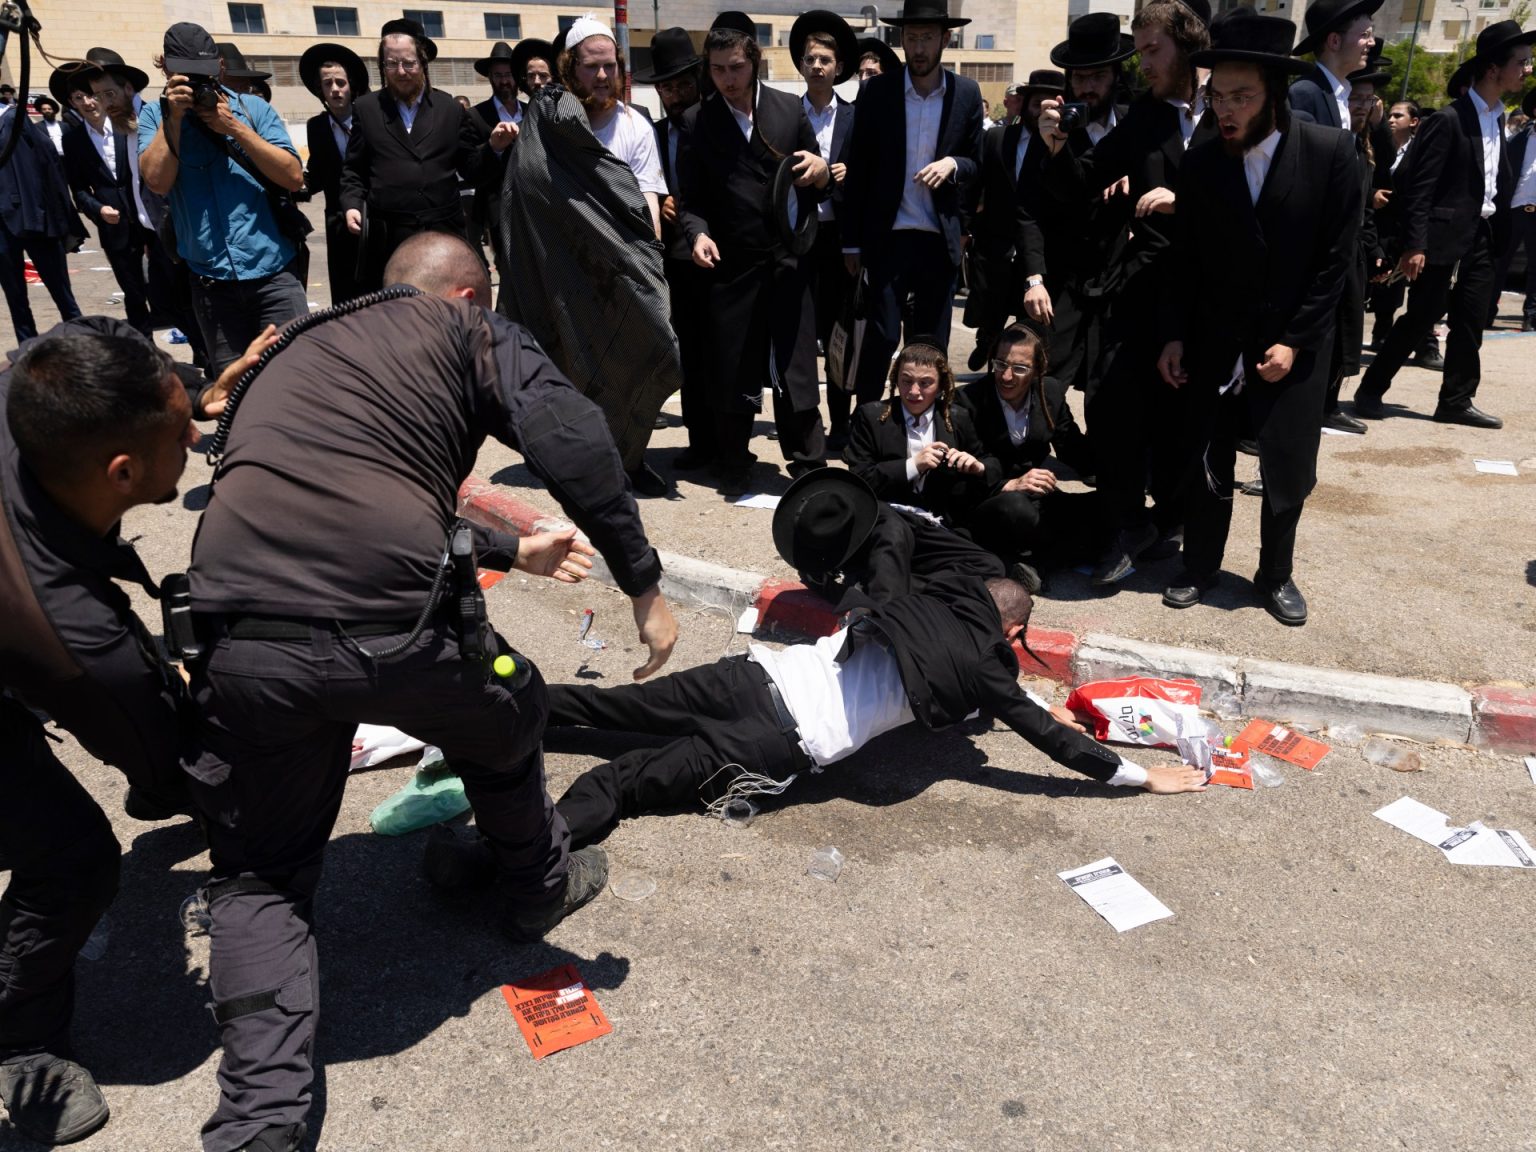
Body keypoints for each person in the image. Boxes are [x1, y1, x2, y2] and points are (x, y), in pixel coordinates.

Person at [182, 231, 678, 1152]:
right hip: (391, 628)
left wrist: (507, 549)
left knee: (259, 875)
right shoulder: (465, 331)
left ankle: (256, 1125)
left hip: (238, 635)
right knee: (511, 709)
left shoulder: (296, 343)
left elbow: (356, 486)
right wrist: (642, 584)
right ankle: (536, 885)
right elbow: (570, 433)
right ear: (469, 296)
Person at [0, 317, 264, 1147]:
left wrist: (200, 385)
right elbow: (157, 742)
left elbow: (91, 342)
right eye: (181, 436)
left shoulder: (33, 394)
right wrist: (224, 780)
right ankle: (18, 1039)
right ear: (122, 471)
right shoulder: (68, 634)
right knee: (72, 855)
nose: (197, 438)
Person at [549, 562, 1207, 851]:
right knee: (620, 783)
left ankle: (494, 707)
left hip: (748, 678)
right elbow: (1048, 738)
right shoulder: (984, 667)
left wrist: (1026, 696)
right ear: (1011, 633)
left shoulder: (926, 596)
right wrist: (1140, 776)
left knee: (609, 707)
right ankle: (529, 858)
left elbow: (975, 678)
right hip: (774, 745)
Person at [1157, 8, 1362, 626]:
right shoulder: (1203, 160)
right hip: (1217, 335)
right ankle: (1199, 566)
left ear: (1274, 94)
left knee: (1287, 466)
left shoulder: (1329, 152)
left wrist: (1296, 341)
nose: (1226, 110)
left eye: (1241, 97)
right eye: (1217, 96)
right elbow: (1185, 258)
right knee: (1208, 456)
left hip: (1292, 341)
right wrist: (1174, 334)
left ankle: (1275, 574)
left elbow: (1336, 262)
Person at [1037, 0, 1215, 589]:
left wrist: (1185, 202)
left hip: (1212, 293)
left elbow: (1254, 194)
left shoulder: (1233, 104)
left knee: (1189, 424)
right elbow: (1085, 180)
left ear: (1188, 44)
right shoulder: (1146, 115)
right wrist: (1059, 147)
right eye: (1138, 53)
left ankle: (1171, 525)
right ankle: (1127, 526)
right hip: (1145, 288)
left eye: (1152, 51)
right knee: (1113, 410)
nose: (1145, 65)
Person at [677, 13, 832, 496]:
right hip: (731, 266)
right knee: (734, 366)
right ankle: (734, 462)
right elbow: (690, 200)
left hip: (788, 259)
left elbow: (817, 178)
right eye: (718, 69)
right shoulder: (697, 121)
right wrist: (697, 234)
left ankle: (808, 460)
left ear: (755, 62)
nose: (728, 79)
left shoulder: (788, 109)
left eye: (736, 67)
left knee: (796, 364)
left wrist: (822, 171)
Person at [1352, 19, 1533, 430]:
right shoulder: (1450, 119)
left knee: (1470, 320)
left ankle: (1456, 399)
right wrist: (1415, 244)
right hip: (1441, 238)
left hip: (1482, 235)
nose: (1527, 70)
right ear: (1493, 68)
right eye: (1521, 62)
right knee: (1422, 316)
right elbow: (1419, 185)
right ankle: (1371, 389)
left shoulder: (1498, 117)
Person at [138, 22, 307, 375]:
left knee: (296, 376)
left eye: (204, 74)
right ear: (166, 69)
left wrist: (234, 128)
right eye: (186, 76)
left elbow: (293, 176)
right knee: (233, 384)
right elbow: (156, 182)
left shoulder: (252, 109)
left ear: (219, 66)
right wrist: (173, 119)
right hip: (210, 282)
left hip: (274, 275)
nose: (197, 83)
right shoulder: (154, 116)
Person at [842, 0, 985, 414]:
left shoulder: (966, 93)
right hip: (888, 237)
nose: (918, 47)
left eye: (927, 38)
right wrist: (851, 242)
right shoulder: (878, 92)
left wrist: (953, 164)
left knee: (930, 345)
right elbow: (859, 168)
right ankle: (868, 423)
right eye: (911, 37)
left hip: (938, 240)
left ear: (945, 39)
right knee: (882, 337)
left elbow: (976, 165)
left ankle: (928, 426)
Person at [340, 17, 497, 290]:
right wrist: (352, 203)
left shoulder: (450, 109)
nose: (401, 72)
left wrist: (494, 147)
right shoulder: (366, 109)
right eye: (391, 63)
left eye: (409, 63)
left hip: (443, 235)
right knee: (397, 309)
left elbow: (471, 169)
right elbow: (354, 168)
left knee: (446, 306)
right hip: (390, 238)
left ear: (423, 63)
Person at [956, 324, 1097, 590]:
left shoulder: (1049, 393)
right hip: (988, 499)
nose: (1006, 376)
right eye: (1000, 364)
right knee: (1017, 508)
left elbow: (1073, 448)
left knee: (1105, 508)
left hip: (1036, 497)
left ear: (1038, 369)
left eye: (1019, 368)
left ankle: (1035, 563)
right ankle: (1043, 558)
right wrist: (1010, 484)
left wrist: (1115, 463)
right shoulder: (967, 401)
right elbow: (962, 476)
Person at [1043, 12, 1136, 403]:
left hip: (1118, 278)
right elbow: (1032, 205)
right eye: (1079, 78)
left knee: (1108, 389)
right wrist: (1054, 147)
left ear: (1116, 75)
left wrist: (1136, 182)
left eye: (1098, 76)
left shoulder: (1136, 125)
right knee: (1045, 383)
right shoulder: (1051, 130)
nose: (1088, 88)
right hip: (1063, 277)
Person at [639, 27, 713, 470]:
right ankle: (700, 441)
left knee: (720, 355)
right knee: (688, 356)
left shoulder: (717, 126)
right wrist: (659, 197)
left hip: (717, 257)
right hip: (672, 265)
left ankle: (727, 444)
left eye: (684, 84)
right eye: (668, 88)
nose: (677, 94)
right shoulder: (653, 133)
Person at [790, 10, 860, 453]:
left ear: (838, 67)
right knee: (800, 337)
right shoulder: (785, 113)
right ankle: (805, 427)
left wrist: (852, 174)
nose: (817, 66)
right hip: (799, 237)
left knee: (840, 336)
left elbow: (872, 175)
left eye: (825, 60)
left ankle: (842, 422)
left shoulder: (855, 116)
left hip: (841, 241)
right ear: (801, 64)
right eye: (811, 59)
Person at [964, 69, 1062, 373]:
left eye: (1050, 105)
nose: (1041, 111)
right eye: (1036, 104)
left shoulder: (1065, 144)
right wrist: (966, 228)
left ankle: (1020, 370)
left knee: (1031, 323)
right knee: (992, 310)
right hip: (997, 243)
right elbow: (975, 187)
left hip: (1040, 250)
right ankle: (987, 341)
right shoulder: (996, 138)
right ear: (1024, 104)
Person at [844, 337, 990, 523]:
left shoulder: (958, 418)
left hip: (941, 522)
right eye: (906, 381)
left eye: (925, 383)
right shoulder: (871, 417)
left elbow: (986, 462)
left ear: (941, 385)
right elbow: (859, 478)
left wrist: (977, 467)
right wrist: (913, 465)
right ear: (896, 379)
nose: (914, 391)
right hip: (890, 518)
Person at [1322, 51, 1390, 436]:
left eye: (1369, 100)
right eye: (1356, 99)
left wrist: (1374, 249)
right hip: (1330, 250)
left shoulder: (1364, 144)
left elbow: (1365, 206)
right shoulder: (1334, 139)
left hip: (1354, 251)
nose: (1362, 106)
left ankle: (1329, 404)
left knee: (1346, 329)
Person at [61, 66, 158, 337]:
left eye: (92, 96)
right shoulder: (73, 140)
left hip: (146, 219)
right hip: (114, 227)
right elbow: (78, 190)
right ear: (72, 103)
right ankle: (144, 346)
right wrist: (98, 209)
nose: (88, 103)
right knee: (133, 293)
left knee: (165, 287)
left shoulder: (125, 125)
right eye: (79, 98)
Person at [559, 16, 667, 238]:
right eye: (591, 66)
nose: (602, 76)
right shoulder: (553, 122)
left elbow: (648, 204)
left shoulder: (637, 128)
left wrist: (651, 249)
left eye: (609, 66)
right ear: (571, 69)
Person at [0, 90, 83, 340]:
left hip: (32, 217)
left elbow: (45, 161)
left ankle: (81, 341)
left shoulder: (13, 118)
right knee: (15, 297)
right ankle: (28, 349)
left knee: (61, 290)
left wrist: (56, 213)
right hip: (2, 227)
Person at [298, 42, 369, 306]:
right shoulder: (316, 126)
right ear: (321, 90)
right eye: (328, 84)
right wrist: (294, 183)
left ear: (351, 86)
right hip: (337, 221)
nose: (335, 89)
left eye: (341, 82)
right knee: (345, 292)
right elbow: (317, 174)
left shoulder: (369, 119)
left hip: (372, 216)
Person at [1368, 98, 1423, 348]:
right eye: (1389, 115)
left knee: (1397, 282)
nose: (1391, 120)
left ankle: (1385, 332)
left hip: (1404, 224)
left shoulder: (1420, 151)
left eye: (1398, 116)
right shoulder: (1376, 145)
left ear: (1413, 121)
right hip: (1377, 222)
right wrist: (1372, 194)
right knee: (1377, 275)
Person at [469, 41, 522, 284]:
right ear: (490, 78)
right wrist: (494, 147)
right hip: (499, 211)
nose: (504, 81)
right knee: (510, 275)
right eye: (498, 75)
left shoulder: (532, 111)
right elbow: (471, 167)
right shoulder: (476, 116)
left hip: (534, 205)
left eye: (509, 75)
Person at [1287, 0, 1380, 131]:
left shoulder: (1341, 93)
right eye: (1365, 35)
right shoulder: (1305, 93)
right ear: (1335, 41)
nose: (1372, 43)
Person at [1490, 86, 1536, 331]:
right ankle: (1486, 311)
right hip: (1514, 208)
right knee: (1499, 262)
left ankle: (1532, 316)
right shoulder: (1519, 140)